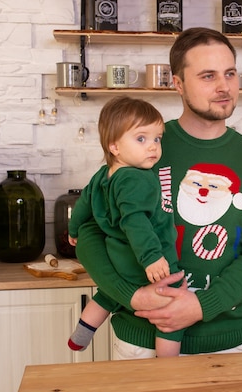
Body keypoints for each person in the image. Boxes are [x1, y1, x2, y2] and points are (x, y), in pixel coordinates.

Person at [73, 27, 242, 359]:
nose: (224, 86)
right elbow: (91, 232)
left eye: (230, 73)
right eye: (208, 76)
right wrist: (132, 296)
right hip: (140, 340)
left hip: (227, 343)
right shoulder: (142, 147)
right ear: (178, 83)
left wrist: (200, 305)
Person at [67, 96, 184, 357]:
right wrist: (152, 258)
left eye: (157, 138)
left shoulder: (104, 174)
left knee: (108, 296)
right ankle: (170, 366)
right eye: (141, 139)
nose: (153, 147)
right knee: (172, 308)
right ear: (114, 146)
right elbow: (135, 221)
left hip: (118, 258)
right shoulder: (136, 178)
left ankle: (82, 334)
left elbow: (84, 203)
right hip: (142, 261)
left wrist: (73, 230)